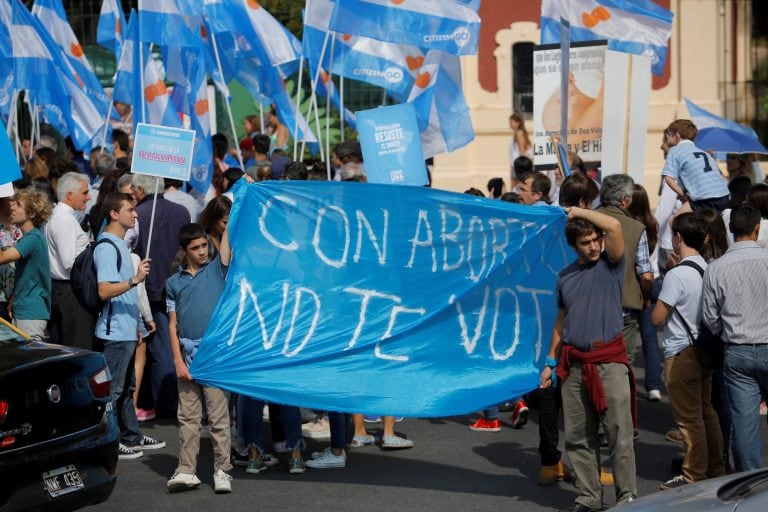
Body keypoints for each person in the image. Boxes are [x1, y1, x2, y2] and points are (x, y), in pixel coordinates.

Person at [540, 206, 636, 512]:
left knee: (618, 434)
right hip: (575, 364)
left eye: (596, 239)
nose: (594, 245)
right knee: (579, 438)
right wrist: (550, 362)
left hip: (608, 362)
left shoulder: (611, 265)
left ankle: (626, 498)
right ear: (573, 246)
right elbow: (560, 322)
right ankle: (589, 497)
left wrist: (575, 211)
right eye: (586, 241)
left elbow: (615, 227)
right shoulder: (565, 277)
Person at [651, 213, 725, 489]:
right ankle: (716, 467)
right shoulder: (710, 268)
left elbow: (657, 318)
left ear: (678, 238)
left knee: (689, 419)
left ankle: (693, 475)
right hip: (705, 349)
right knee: (707, 412)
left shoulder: (678, 274)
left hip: (681, 352)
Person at [94, 192, 165, 460]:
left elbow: (126, 294)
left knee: (127, 389)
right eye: (130, 210)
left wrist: (136, 323)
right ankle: (109, 441)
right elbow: (104, 291)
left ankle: (131, 436)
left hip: (125, 328)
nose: (135, 214)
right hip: (114, 331)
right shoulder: (107, 247)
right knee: (112, 391)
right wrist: (135, 279)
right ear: (114, 213)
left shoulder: (120, 245)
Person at [166, 223, 233, 493]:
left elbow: (227, 239)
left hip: (214, 356)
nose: (203, 251)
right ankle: (186, 470)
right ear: (184, 251)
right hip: (187, 356)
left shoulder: (217, 269)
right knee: (188, 419)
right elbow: (172, 324)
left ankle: (222, 470)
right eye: (195, 248)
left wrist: (239, 195)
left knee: (218, 419)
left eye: (205, 245)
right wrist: (177, 361)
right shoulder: (173, 282)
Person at [701, 203, 768, 472]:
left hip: (737, 349)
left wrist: (726, 332)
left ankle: (750, 490)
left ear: (730, 229)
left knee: (744, 428)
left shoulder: (716, 268)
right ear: (757, 228)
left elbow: (709, 318)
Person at [133, 174, 191, 417]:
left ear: (139, 189)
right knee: (178, 343)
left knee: (161, 350)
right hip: (177, 283)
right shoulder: (182, 212)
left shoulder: (137, 214)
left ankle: (165, 403)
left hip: (151, 287)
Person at [597, 174, 653, 364]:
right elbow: (646, 275)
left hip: (590, 305)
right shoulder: (637, 228)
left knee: (595, 361)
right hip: (625, 307)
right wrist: (645, 298)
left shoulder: (586, 220)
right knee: (622, 363)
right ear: (624, 200)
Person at [44, 173, 95, 348]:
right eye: (85, 192)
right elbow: (69, 262)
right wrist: (89, 253)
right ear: (70, 195)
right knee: (77, 348)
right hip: (70, 291)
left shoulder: (58, 215)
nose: (88, 197)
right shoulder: (65, 219)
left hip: (62, 289)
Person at [626, 184, 663, 401]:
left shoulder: (629, 227)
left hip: (633, 283)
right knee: (649, 337)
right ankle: (654, 386)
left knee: (627, 336)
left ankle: (626, 384)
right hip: (654, 279)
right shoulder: (653, 224)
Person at [1, 189, 53, 339]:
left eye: (18, 204)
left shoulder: (33, 238)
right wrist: (14, 299)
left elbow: (3, 258)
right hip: (24, 309)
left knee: (31, 358)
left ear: (32, 214)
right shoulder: (29, 237)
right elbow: (27, 276)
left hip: (31, 313)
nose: (12, 207)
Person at [662, 119, 729, 212]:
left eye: (668, 134)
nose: (666, 136)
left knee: (673, 221)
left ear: (677, 136)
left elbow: (668, 178)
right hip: (723, 194)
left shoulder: (675, 150)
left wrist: (684, 195)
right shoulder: (702, 152)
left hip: (704, 198)